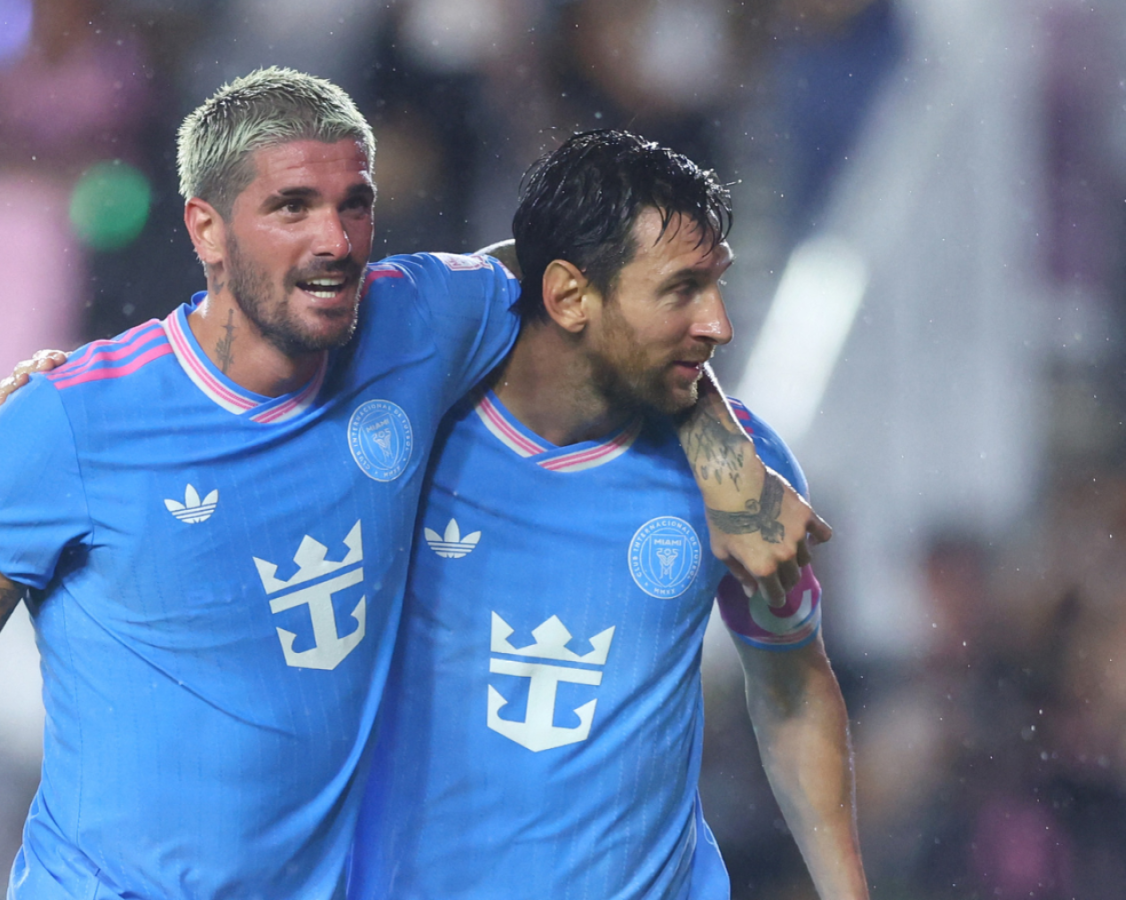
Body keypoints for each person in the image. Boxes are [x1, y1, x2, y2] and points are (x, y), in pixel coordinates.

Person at [0, 68, 824, 899]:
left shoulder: (416, 325)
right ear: (206, 227)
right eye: (291, 207)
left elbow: (606, 289)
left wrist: (713, 435)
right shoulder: (70, 422)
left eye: (354, 203)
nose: (335, 238)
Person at [347, 132, 868, 899]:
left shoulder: (745, 479)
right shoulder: (410, 434)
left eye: (715, 284)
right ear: (568, 297)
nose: (719, 323)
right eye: (681, 289)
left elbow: (791, 686)